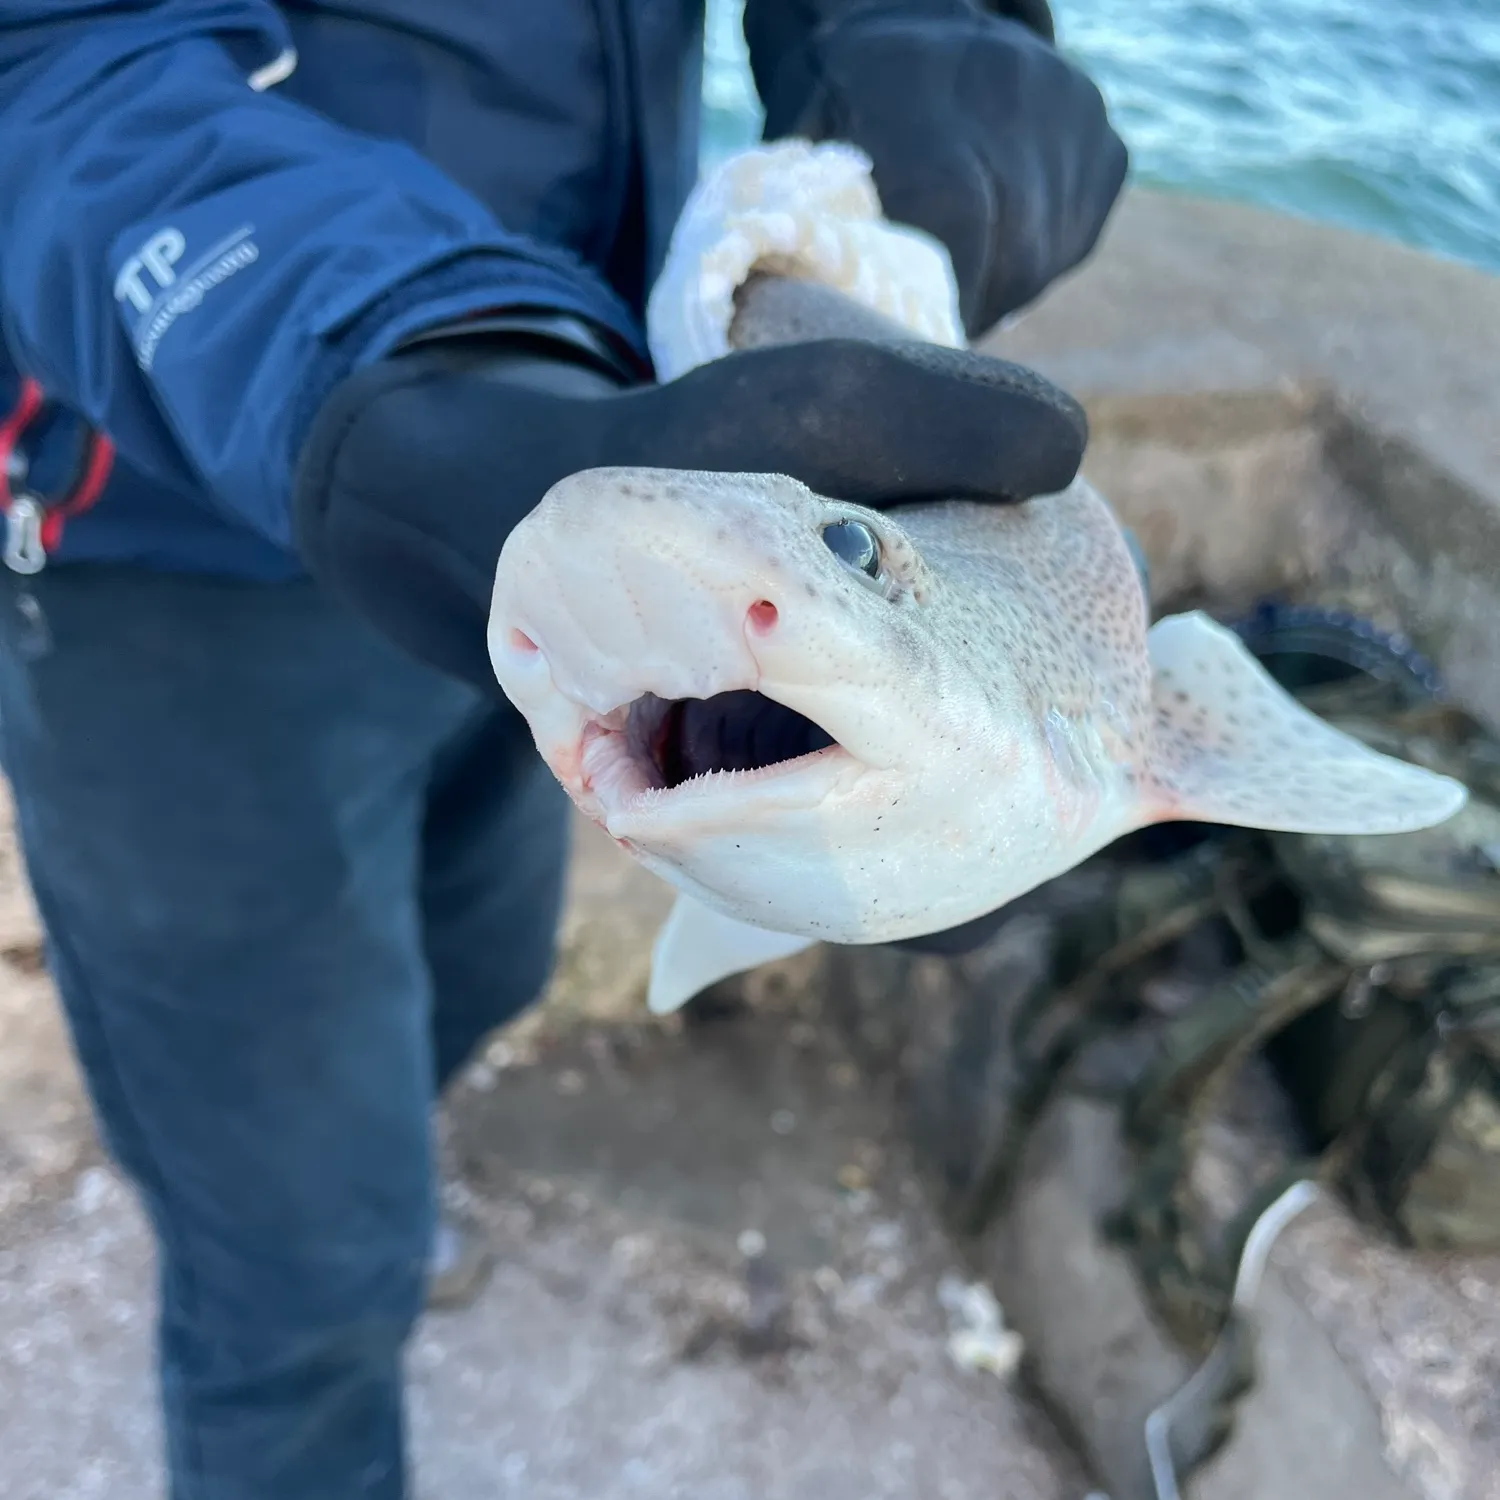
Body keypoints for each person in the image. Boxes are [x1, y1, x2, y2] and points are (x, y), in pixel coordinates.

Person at [0, 3, 1126, 1496]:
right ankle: (321, 1267)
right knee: (298, 1256)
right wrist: (411, 352)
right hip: (178, 549)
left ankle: (371, 1187)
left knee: (488, 963)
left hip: (578, 463)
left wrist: (904, 28)